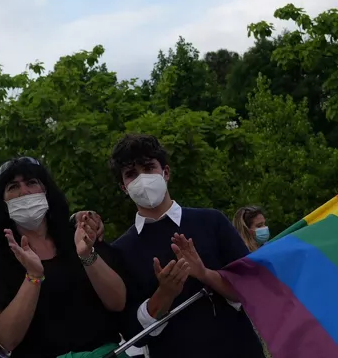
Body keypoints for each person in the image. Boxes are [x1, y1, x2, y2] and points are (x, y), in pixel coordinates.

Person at [107, 134, 266, 358]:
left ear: (166, 172)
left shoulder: (212, 221)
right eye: (131, 174)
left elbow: (251, 289)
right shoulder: (121, 250)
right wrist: (165, 293)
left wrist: (205, 273)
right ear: (123, 187)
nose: (142, 179)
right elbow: (132, 331)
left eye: (149, 167)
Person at [0, 157, 128, 358]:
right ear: (2, 203)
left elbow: (118, 302)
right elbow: (6, 339)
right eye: (13, 187)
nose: (24, 192)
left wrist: (87, 256)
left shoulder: (80, 235)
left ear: (47, 191)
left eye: (32, 183)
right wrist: (33, 277)